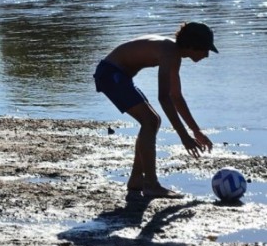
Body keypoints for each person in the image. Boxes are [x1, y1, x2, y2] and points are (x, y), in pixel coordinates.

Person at [93, 22, 217, 201]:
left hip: (118, 75)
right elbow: (164, 98)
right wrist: (184, 137)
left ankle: (137, 179)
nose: (206, 55)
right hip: (110, 74)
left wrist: (195, 131)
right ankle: (151, 184)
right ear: (192, 45)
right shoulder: (170, 52)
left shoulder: (173, 53)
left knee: (152, 121)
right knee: (150, 121)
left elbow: (176, 96)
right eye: (205, 49)